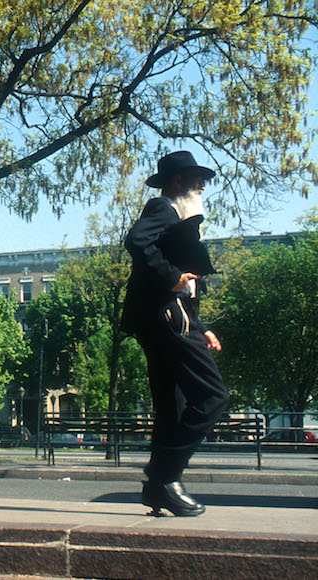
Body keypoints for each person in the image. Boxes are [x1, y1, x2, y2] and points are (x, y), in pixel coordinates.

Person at [121, 150, 229, 517]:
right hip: (166, 318)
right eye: (197, 179)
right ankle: (164, 474)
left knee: (173, 404)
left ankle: (157, 491)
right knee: (213, 396)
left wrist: (202, 327)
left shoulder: (180, 218)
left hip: (168, 318)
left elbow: (187, 285)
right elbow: (137, 241)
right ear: (179, 182)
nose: (203, 185)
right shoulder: (164, 207)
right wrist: (171, 276)